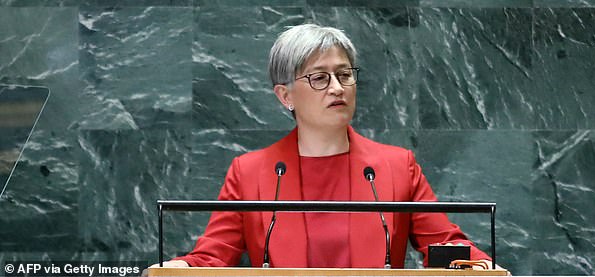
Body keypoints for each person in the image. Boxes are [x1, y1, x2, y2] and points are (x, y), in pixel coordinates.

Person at [149, 23, 503, 270]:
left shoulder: (396, 166)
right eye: (319, 77)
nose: (337, 87)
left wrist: (482, 265)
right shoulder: (250, 172)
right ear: (285, 95)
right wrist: (175, 267)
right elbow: (212, 257)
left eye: (345, 74)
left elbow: (444, 245)